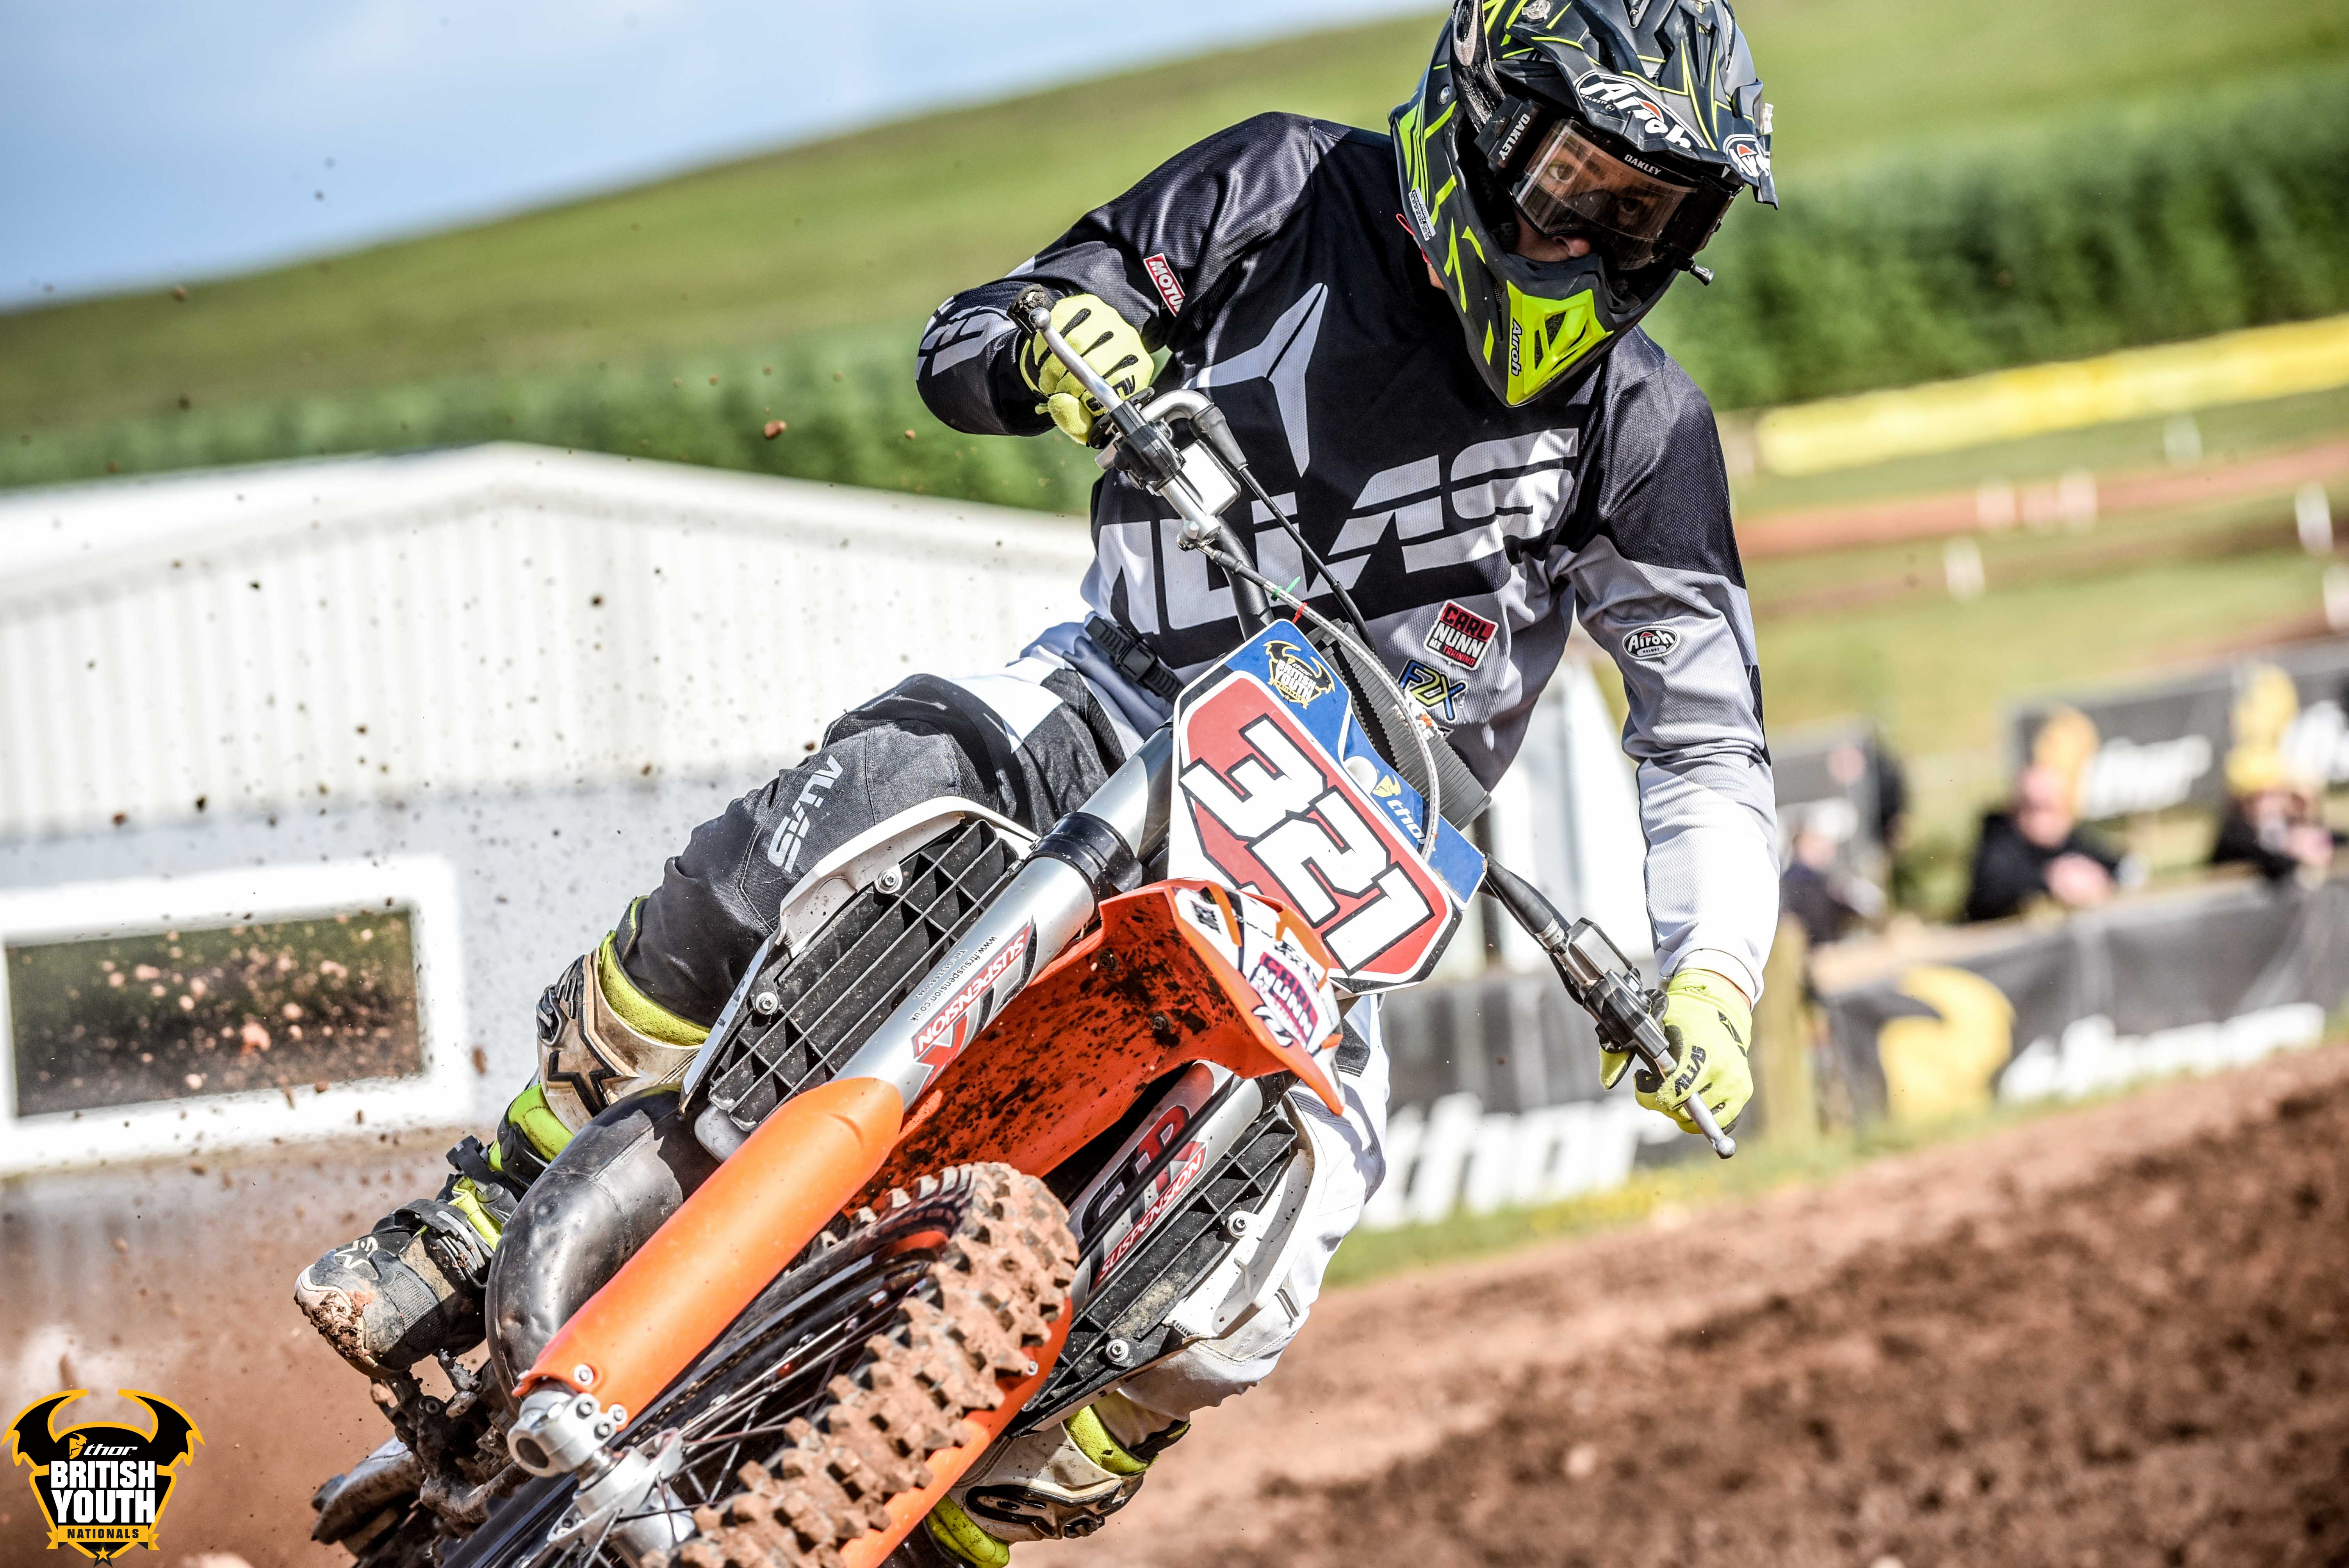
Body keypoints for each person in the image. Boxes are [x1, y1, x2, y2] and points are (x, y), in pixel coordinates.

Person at [292, 3, 1781, 1559]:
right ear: (1479, 117)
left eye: (1651, 216)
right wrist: (1051, 339)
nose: (1596, 243)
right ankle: (492, 1201)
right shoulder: (1278, 189)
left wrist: (1713, 978)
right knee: (859, 798)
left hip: (1331, 881)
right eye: (1579, 184)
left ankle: (949, 1506)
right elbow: (974, 338)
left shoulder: (1643, 429)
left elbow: (1701, 735)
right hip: (1114, 706)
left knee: (1258, 1276)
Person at [1962, 764, 2123, 923]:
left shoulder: (2075, 839)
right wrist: (2051, 881)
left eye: (2048, 806)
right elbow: (1992, 890)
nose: (2040, 818)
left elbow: (2120, 865)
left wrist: (2096, 878)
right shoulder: (1999, 844)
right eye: (2031, 807)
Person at [2211, 748, 2340, 883]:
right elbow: (2265, 863)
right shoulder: (2234, 836)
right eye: (2258, 798)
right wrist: (2294, 852)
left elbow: (2337, 843)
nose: (2268, 804)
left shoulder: (2291, 825)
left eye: (2274, 795)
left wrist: (2316, 833)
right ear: (2242, 804)